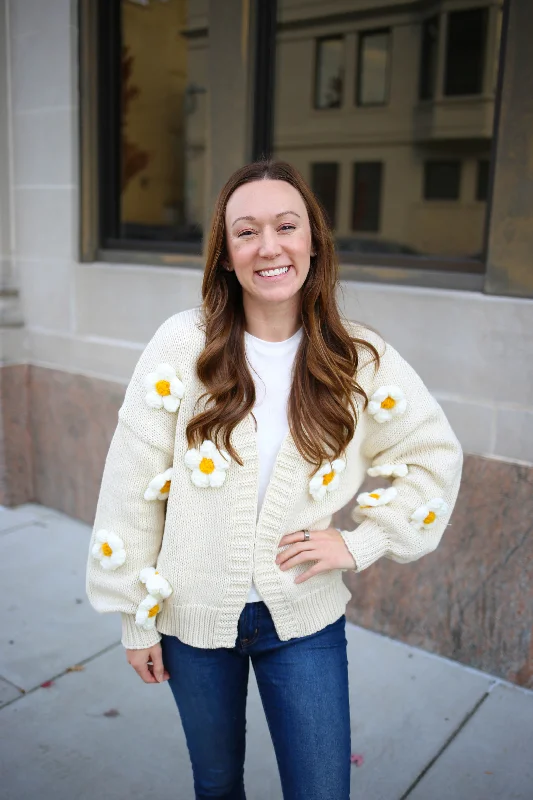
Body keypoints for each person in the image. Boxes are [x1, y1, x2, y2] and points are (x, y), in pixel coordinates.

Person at [86, 159, 463, 800]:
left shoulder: (358, 359)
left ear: (312, 243)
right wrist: (135, 617)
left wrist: (359, 542)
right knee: (216, 784)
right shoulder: (182, 346)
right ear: (226, 255)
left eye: (286, 226)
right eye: (246, 232)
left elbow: (435, 455)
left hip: (305, 617)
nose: (269, 246)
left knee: (321, 790)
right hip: (193, 616)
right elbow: (130, 481)